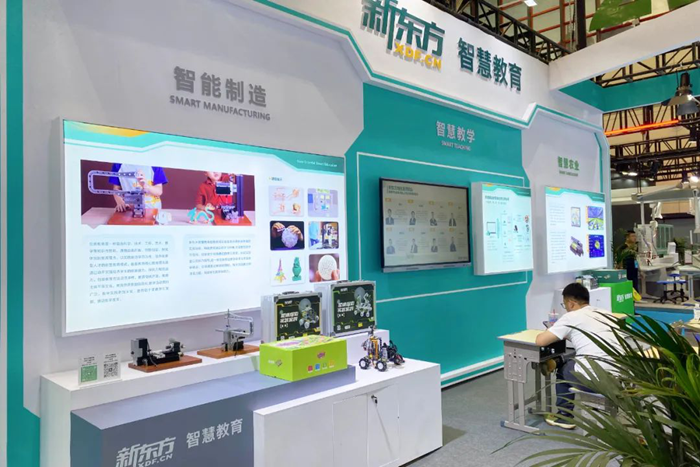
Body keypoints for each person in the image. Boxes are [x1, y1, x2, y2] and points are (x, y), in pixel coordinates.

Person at [535, 283, 620, 429]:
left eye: (564, 305)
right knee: (577, 356)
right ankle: (558, 361)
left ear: (571, 303)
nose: (565, 308)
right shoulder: (605, 313)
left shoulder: (571, 317)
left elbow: (540, 341)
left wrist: (553, 331)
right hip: (618, 376)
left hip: (595, 379)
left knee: (562, 371)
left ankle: (564, 417)